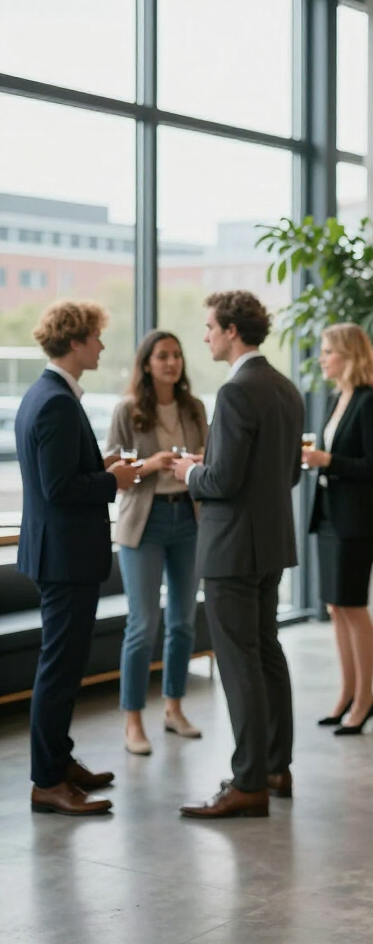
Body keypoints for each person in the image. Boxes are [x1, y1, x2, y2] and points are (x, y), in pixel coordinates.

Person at [173, 291, 304, 818]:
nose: (204, 336)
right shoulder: (285, 387)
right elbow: (288, 473)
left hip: (231, 548)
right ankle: (275, 767)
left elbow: (222, 480)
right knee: (266, 653)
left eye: (209, 327)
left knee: (239, 662)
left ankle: (248, 782)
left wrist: (189, 473)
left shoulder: (234, 393)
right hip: (271, 542)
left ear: (231, 331)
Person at [16, 300, 137, 816]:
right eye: (96, 337)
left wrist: (100, 465)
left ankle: (59, 761)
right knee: (60, 669)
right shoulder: (57, 402)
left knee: (63, 665)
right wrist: (116, 479)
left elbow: (60, 473)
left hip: (58, 554)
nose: (102, 346)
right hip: (65, 558)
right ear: (75, 341)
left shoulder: (45, 395)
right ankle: (47, 780)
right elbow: (61, 487)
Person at [107, 331, 208, 756]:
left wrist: (198, 461)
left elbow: (211, 455)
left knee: (183, 621)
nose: (171, 363)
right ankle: (132, 720)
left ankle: (173, 708)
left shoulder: (194, 407)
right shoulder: (127, 410)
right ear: (147, 364)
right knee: (142, 624)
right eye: (162, 356)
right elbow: (112, 464)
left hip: (187, 516)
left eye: (177, 356)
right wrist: (149, 465)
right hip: (143, 524)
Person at [302, 323, 373, 735]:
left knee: (353, 607)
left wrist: (327, 462)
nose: (322, 358)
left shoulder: (372, 403)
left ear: (349, 355)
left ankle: (365, 698)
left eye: (328, 351)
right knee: (336, 607)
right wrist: (323, 461)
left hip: (357, 520)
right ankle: (347, 694)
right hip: (330, 515)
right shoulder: (336, 398)